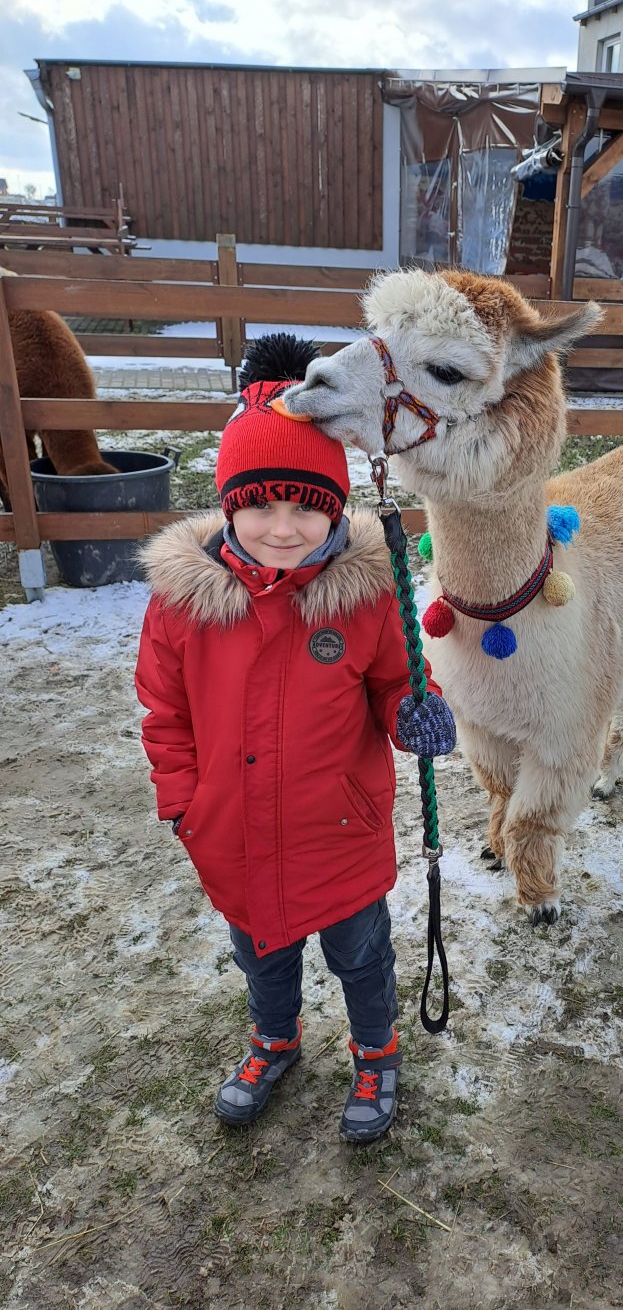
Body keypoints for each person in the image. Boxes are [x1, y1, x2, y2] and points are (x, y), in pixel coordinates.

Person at [135, 339, 456, 1143]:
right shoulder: (183, 606)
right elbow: (165, 713)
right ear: (228, 504)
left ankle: (376, 1052)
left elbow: (396, 681)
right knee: (262, 955)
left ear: (336, 510)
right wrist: (184, 803)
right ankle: (273, 1039)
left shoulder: (362, 596)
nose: (283, 528)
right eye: (262, 506)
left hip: (338, 829)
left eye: (306, 508)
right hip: (234, 831)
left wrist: (414, 712)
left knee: (361, 956)